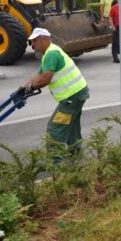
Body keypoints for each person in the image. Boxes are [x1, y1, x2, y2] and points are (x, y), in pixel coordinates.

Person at [24, 28, 89, 159]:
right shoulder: (49, 53)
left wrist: (31, 87)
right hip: (78, 94)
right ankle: (75, 154)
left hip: (71, 97)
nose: (32, 45)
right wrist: (24, 87)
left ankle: (55, 163)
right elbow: (38, 73)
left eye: (34, 41)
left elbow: (45, 79)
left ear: (44, 40)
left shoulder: (51, 54)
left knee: (55, 128)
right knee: (72, 125)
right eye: (31, 42)